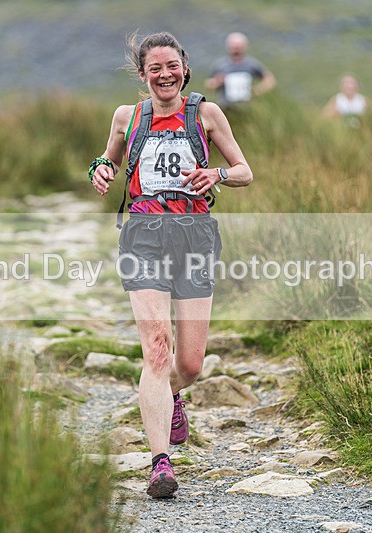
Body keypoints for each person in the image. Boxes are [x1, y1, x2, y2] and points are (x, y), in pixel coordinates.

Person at [88, 31, 253, 499]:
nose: (165, 74)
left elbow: (244, 170)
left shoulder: (206, 114)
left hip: (195, 235)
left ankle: (172, 395)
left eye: (172, 66)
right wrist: (99, 169)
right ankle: (160, 463)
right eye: (154, 68)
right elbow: (108, 161)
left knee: (190, 363)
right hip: (143, 237)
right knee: (157, 349)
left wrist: (217, 173)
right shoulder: (127, 117)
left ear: (185, 67)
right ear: (143, 75)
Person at [205, 32, 276, 107]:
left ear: (245, 47)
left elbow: (269, 79)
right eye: (234, 46)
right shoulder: (220, 65)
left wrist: (257, 90)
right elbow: (208, 84)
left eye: (239, 47)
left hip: (247, 106)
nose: (236, 50)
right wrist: (217, 82)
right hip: (226, 106)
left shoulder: (252, 64)